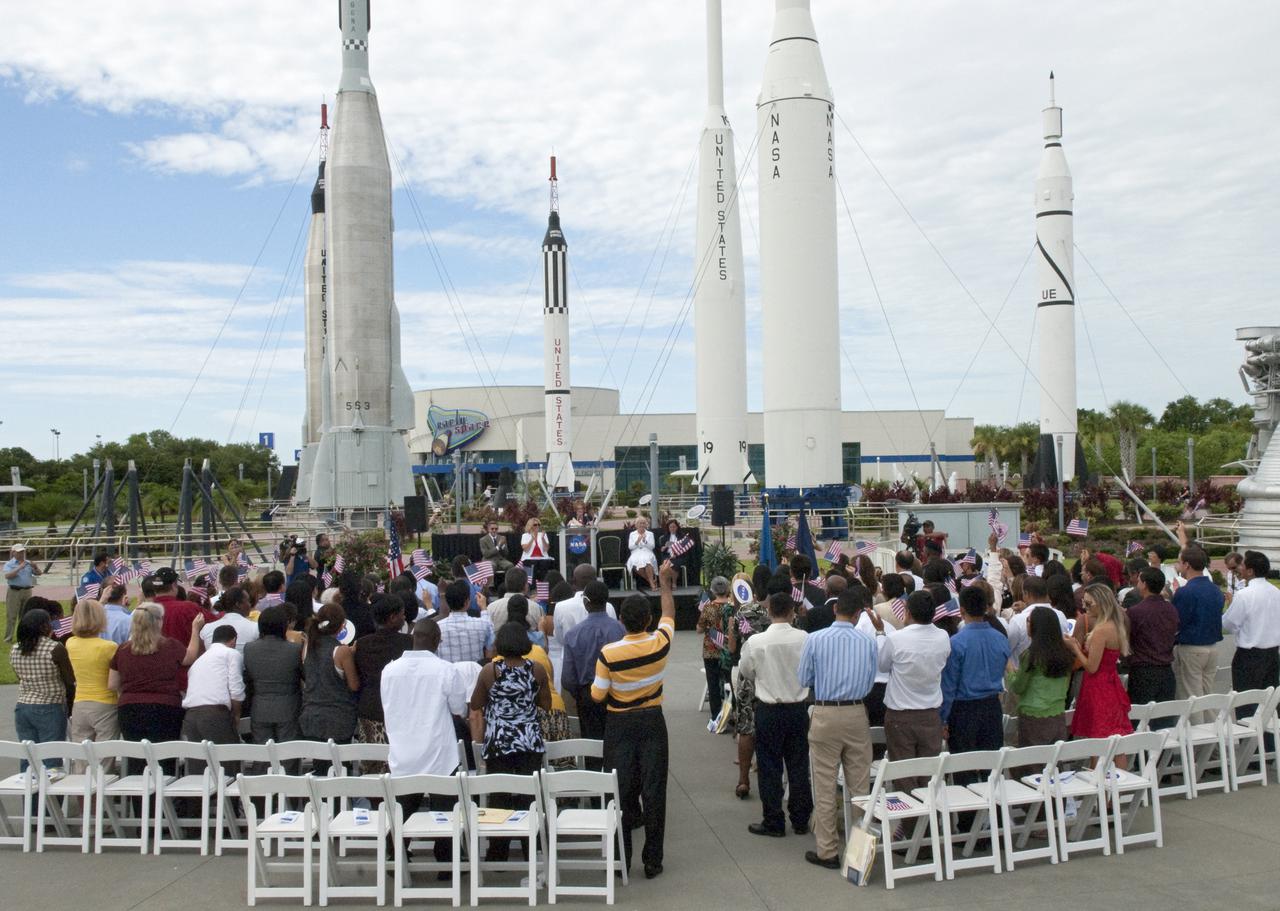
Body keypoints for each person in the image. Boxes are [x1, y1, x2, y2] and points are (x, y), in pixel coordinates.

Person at [591, 561, 678, 879]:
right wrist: (665, 584)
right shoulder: (660, 643)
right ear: (648, 621)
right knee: (654, 791)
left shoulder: (609, 653)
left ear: (622, 622)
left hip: (620, 725)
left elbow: (598, 696)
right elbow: (669, 614)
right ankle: (653, 860)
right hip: (653, 722)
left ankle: (620, 860)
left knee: (621, 793)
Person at [797, 589, 878, 870]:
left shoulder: (815, 639)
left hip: (825, 711)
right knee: (859, 785)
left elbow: (804, 677)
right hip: (856, 711)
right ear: (858, 614)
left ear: (835, 609)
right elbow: (870, 680)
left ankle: (827, 850)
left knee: (824, 781)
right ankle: (858, 849)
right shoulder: (867, 642)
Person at [381, 617, 472, 864]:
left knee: (403, 807)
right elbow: (458, 708)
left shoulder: (389, 670)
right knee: (444, 809)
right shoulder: (445, 669)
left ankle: (395, 854)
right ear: (436, 642)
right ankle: (447, 858)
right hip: (438, 751)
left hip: (402, 750)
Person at [470, 621, 551, 862]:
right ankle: (531, 849)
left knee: (500, 797)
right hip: (528, 739)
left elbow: (476, 703)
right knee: (530, 796)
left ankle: (498, 853)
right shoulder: (536, 670)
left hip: (499, 741)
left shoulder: (489, 671)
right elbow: (545, 704)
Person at [739, 591, 811, 839]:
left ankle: (773, 819)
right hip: (797, 707)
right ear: (792, 612)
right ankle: (801, 818)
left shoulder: (756, 642)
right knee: (798, 764)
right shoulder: (805, 638)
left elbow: (746, 671)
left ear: (769, 611)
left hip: (769, 707)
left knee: (770, 767)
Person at [112, 602, 201, 749]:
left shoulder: (122, 650)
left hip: (129, 708)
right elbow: (190, 657)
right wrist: (195, 630)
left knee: (136, 758)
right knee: (165, 757)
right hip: (165, 707)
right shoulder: (170, 646)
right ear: (158, 622)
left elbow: (113, 683)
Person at [875, 590, 951, 761]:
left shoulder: (895, 638)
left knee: (904, 773)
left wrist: (880, 634)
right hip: (930, 714)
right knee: (928, 773)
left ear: (908, 612)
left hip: (901, 715)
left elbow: (882, 665)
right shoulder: (943, 637)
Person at [941, 587, 1011, 753]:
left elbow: (949, 685)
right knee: (991, 767)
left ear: (962, 610)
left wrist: (943, 717)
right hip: (992, 706)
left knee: (964, 770)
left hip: (964, 710)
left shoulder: (957, 642)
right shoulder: (1000, 638)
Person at [1065, 584, 1134, 740]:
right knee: (1115, 736)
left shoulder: (1102, 630)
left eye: (1089, 604)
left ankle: (1098, 766)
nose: (1085, 607)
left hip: (1098, 686)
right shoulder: (1116, 624)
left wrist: (1075, 648)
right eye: (1083, 602)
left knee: (1098, 736)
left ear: (1102, 603)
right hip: (1111, 683)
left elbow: (1091, 667)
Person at [351, 595, 412, 770]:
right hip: (401, 709)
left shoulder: (362, 644)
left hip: (371, 708)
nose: (404, 617)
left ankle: (376, 797)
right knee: (402, 765)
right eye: (402, 614)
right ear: (392, 617)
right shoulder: (408, 643)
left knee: (373, 767)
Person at [561, 580, 624, 744]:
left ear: (585, 602)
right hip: (616, 693)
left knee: (591, 744)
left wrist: (581, 695)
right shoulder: (620, 630)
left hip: (587, 695)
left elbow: (568, 679)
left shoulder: (573, 634)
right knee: (616, 743)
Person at [11, 609, 75, 768]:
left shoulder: (15, 649)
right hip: (50, 706)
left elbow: (20, 677)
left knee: (28, 757)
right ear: (44, 627)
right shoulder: (55, 648)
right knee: (51, 757)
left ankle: (29, 791)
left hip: (23, 706)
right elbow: (69, 681)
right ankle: (53, 793)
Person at [729, 573, 772, 799]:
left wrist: (730, 629)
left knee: (746, 726)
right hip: (771, 672)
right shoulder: (773, 611)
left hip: (748, 672)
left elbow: (732, 647)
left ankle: (743, 779)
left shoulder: (741, 613)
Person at [300, 603, 360, 758]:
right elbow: (354, 685)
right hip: (338, 719)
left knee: (319, 767)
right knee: (340, 769)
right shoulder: (342, 651)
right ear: (342, 626)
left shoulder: (308, 646)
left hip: (311, 717)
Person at [242, 605, 303, 744]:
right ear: (283, 626)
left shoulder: (249, 648)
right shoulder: (295, 650)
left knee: (263, 757)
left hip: (260, 708)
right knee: (288, 756)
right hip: (289, 708)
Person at [1171, 544, 1224, 703]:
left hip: (1192, 647)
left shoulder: (1186, 591)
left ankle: (1197, 727)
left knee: (1191, 697)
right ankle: (1211, 726)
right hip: (1212, 647)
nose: (1178, 565)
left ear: (1187, 565)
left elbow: (1177, 621)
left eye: (1180, 562)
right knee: (1207, 694)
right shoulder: (1215, 589)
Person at [1222, 549, 1280, 695]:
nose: (1239, 569)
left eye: (1242, 565)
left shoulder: (1244, 595)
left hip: (1249, 657)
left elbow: (1229, 624)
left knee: (1246, 704)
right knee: (1270, 702)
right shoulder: (1276, 592)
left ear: (1250, 571)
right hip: (1273, 655)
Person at [64, 599, 121, 746]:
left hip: (80, 702)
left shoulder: (70, 643)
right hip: (105, 703)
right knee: (105, 756)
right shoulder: (109, 647)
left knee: (82, 755)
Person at [181, 623, 244, 745]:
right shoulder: (231, 654)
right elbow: (236, 690)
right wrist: (236, 715)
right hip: (215, 714)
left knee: (198, 762)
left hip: (191, 716)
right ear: (234, 640)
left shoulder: (198, 661)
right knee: (227, 760)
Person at [1126, 567, 1180, 707]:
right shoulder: (1171, 609)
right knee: (1164, 720)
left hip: (1144, 671)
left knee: (1140, 719)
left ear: (1144, 584)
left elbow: (1128, 639)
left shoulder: (1136, 612)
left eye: (1139, 581)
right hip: (1166, 670)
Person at [1005, 575, 1070, 661]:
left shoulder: (1018, 620)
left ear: (1026, 594)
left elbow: (1007, 648)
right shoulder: (1060, 615)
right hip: (1053, 670)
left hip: (1024, 671)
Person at [695, 576, 734, 719]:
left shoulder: (708, 607)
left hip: (711, 651)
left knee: (713, 683)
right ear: (728, 589)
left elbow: (699, 629)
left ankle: (716, 716)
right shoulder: (732, 607)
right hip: (729, 650)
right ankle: (731, 713)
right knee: (730, 681)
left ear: (712, 590)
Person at [438, 579, 496, 664]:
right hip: (476, 674)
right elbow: (491, 644)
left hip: (448, 675)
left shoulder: (438, 627)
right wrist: (483, 608)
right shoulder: (482, 624)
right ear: (467, 602)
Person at [200, 585, 260, 653]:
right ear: (238, 604)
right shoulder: (255, 628)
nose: (250, 604)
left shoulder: (206, 629)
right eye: (248, 601)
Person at [4, 544, 42, 641]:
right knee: (11, 616)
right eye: (19, 552)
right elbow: (8, 576)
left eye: (22, 552)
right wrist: (20, 567)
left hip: (27, 591)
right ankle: (8, 638)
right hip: (14, 591)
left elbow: (39, 573)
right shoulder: (9, 564)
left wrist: (36, 567)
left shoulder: (28, 563)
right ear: (13, 552)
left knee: (25, 615)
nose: (21, 554)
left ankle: (23, 637)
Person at [625, 516, 658, 590]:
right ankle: (651, 581)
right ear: (636, 525)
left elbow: (652, 546)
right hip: (636, 552)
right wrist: (637, 541)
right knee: (634, 563)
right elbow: (630, 547)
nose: (642, 525)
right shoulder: (632, 534)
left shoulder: (650, 534)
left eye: (643, 523)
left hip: (647, 551)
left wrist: (645, 541)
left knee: (648, 560)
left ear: (646, 524)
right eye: (640, 523)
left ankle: (652, 585)